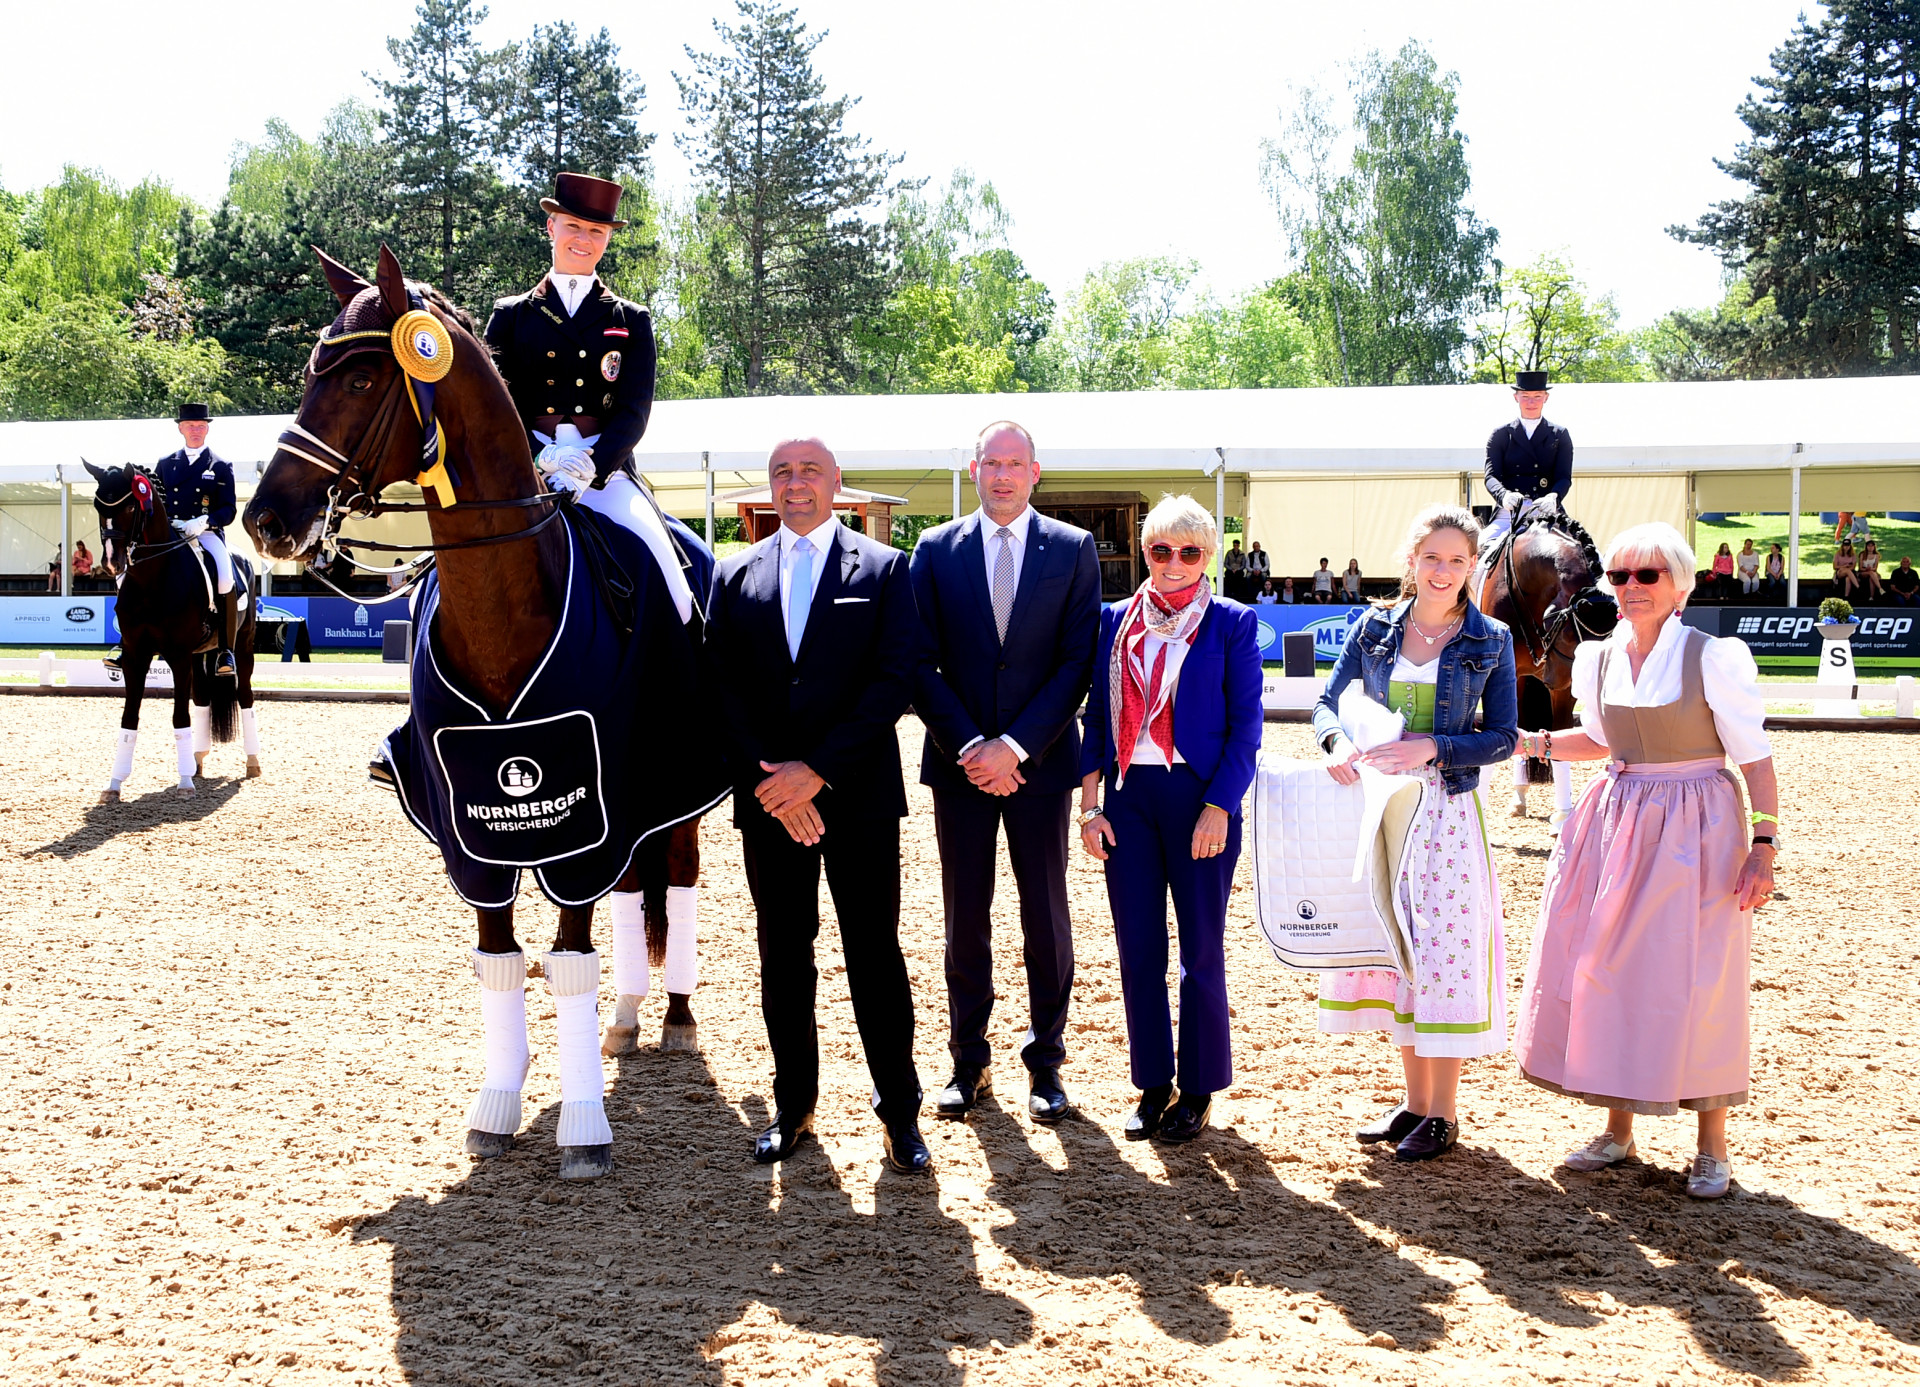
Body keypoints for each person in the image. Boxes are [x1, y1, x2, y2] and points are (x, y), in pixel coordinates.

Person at [1513, 522, 1778, 1201]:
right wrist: (1529, 742)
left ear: (1681, 586)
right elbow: (1600, 740)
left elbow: (1754, 758)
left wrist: (1764, 844)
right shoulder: (1600, 658)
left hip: (1698, 826)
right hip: (1620, 821)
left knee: (1698, 976)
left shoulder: (1712, 657)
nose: (1631, 587)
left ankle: (1712, 1145)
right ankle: (1618, 1129)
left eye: (1647, 575)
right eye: (1622, 576)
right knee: (1607, 966)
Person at [706, 437, 930, 1174]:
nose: (795, 484)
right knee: (783, 955)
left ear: (836, 484)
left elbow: (894, 680)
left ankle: (901, 1114)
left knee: (874, 955)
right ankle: (793, 1104)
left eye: (809, 472)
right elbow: (721, 686)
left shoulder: (886, 568)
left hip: (856, 799)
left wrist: (819, 773)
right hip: (770, 804)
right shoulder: (732, 572)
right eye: (781, 473)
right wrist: (776, 783)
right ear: (769, 489)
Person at [910, 420, 1101, 1126]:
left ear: (1035, 471)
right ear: (974, 467)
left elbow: (1078, 664)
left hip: (1042, 767)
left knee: (1045, 916)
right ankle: (969, 1060)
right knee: (966, 917)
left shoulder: (1072, 549)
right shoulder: (933, 549)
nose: (1002, 474)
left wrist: (1015, 745)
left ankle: (1045, 1063)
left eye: (1014, 463)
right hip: (958, 766)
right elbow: (917, 660)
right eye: (991, 461)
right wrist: (971, 745)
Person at [1314, 505, 1518, 1162]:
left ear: (1471, 567)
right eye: (1432, 557)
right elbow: (1328, 701)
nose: (1443, 570)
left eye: (1457, 560)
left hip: (1449, 814)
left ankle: (1445, 1112)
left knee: (1443, 956)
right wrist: (1335, 741)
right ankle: (1413, 1101)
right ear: (1412, 559)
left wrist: (1432, 747)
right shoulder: (1373, 627)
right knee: (1396, 951)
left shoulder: (1491, 639)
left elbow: (1503, 737)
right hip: (1383, 808)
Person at [1078, 496, 1262, 1145]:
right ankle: (1153, 1083)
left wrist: (1220, 805)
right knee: (1138, 950)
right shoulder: (1114, 622)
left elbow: (1247, 732)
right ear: (1146, 552)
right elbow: (1097, 719)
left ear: (1208, 555)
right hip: (1128, 797)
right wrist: (1091, 804)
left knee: (1200, 950)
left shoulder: (1233, 624)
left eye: (1189, 551)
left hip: (1201, 798)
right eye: (1161, 550)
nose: (1175, 564)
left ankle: (1200, 1087)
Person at [485, 172, 696, 628]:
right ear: (551, 228)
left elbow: (635, 411)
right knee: (441, 574)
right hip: (526, 467)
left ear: (607, 240)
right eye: (573, 226)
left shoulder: (632, 319)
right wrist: (540, 456)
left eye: (596, 231)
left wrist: (594, 466)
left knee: (676, 588)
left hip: (605, 471)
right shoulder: (511, 315)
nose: (584, 239)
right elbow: (494, 404)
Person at [146, 403, 239, 676]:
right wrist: (167, 523)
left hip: (206, 534)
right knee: (136, 572)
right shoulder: (165, 464)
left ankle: (226, 649)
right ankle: (126, 642)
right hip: (171, 534)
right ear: (181, 429)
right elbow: (155, 503)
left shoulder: (220, 465)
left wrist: (205, 521)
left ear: (207, 428)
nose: (195, 430)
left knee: (225, 577)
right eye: (190, 426)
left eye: (200, 426)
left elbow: (229, 509)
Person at [1482, 370, 1574, 552]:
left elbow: (1564, 477)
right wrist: (1503, 496)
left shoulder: (1560, 435)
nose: (1531, 402)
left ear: (1546, 397)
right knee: (1478, 549)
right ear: (1516, 397)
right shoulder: (1501, 434)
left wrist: (1553, 497)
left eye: (1537, 396)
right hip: (1510, 511)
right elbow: (1491, 476)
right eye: (1525, 396)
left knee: (1588, 553)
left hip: (1546, 508)